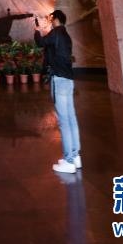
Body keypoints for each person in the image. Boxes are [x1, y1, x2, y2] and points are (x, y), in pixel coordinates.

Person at [34, 9, 82, 174]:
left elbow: (41, 43)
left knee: (64, 121)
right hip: (68, 79)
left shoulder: (56, 33)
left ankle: (68, 161)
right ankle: (75, 156)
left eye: (50, 18)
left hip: (60, 80)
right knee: (71, 118)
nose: (49, 21)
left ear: (55, 19)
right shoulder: (66, 35)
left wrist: (37, 30)